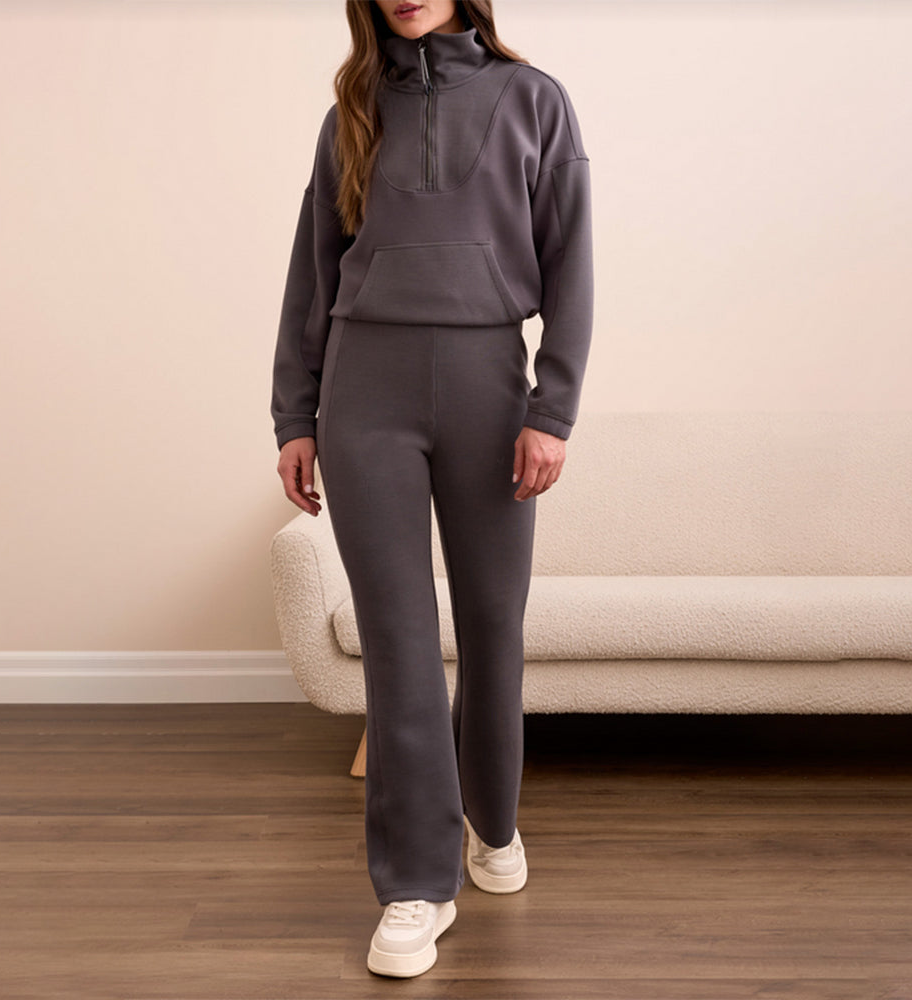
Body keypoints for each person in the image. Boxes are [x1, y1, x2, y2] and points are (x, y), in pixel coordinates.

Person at [271, 0, 593, 979]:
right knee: (400, 642)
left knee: (493, 623)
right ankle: (415, 885)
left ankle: (491, 823)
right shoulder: (352, 111)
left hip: (488, 390)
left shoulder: (535, 99)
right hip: (364, 396)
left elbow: (573, 262)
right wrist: (295, 414)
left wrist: (553, 409)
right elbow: (311, 274)